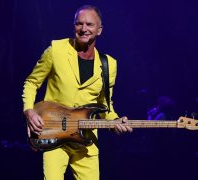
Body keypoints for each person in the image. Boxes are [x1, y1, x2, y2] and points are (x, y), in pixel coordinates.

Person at [22, 5, 132, 180]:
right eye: (79, 24)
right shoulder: (56, 50)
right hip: (54, 135)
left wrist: (115, 121)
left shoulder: (109, 65)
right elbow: (31, 82)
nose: (83, 29)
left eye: (89, 24)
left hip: (86, 143)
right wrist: (29, 111)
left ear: (99, 30)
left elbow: (105, 106)